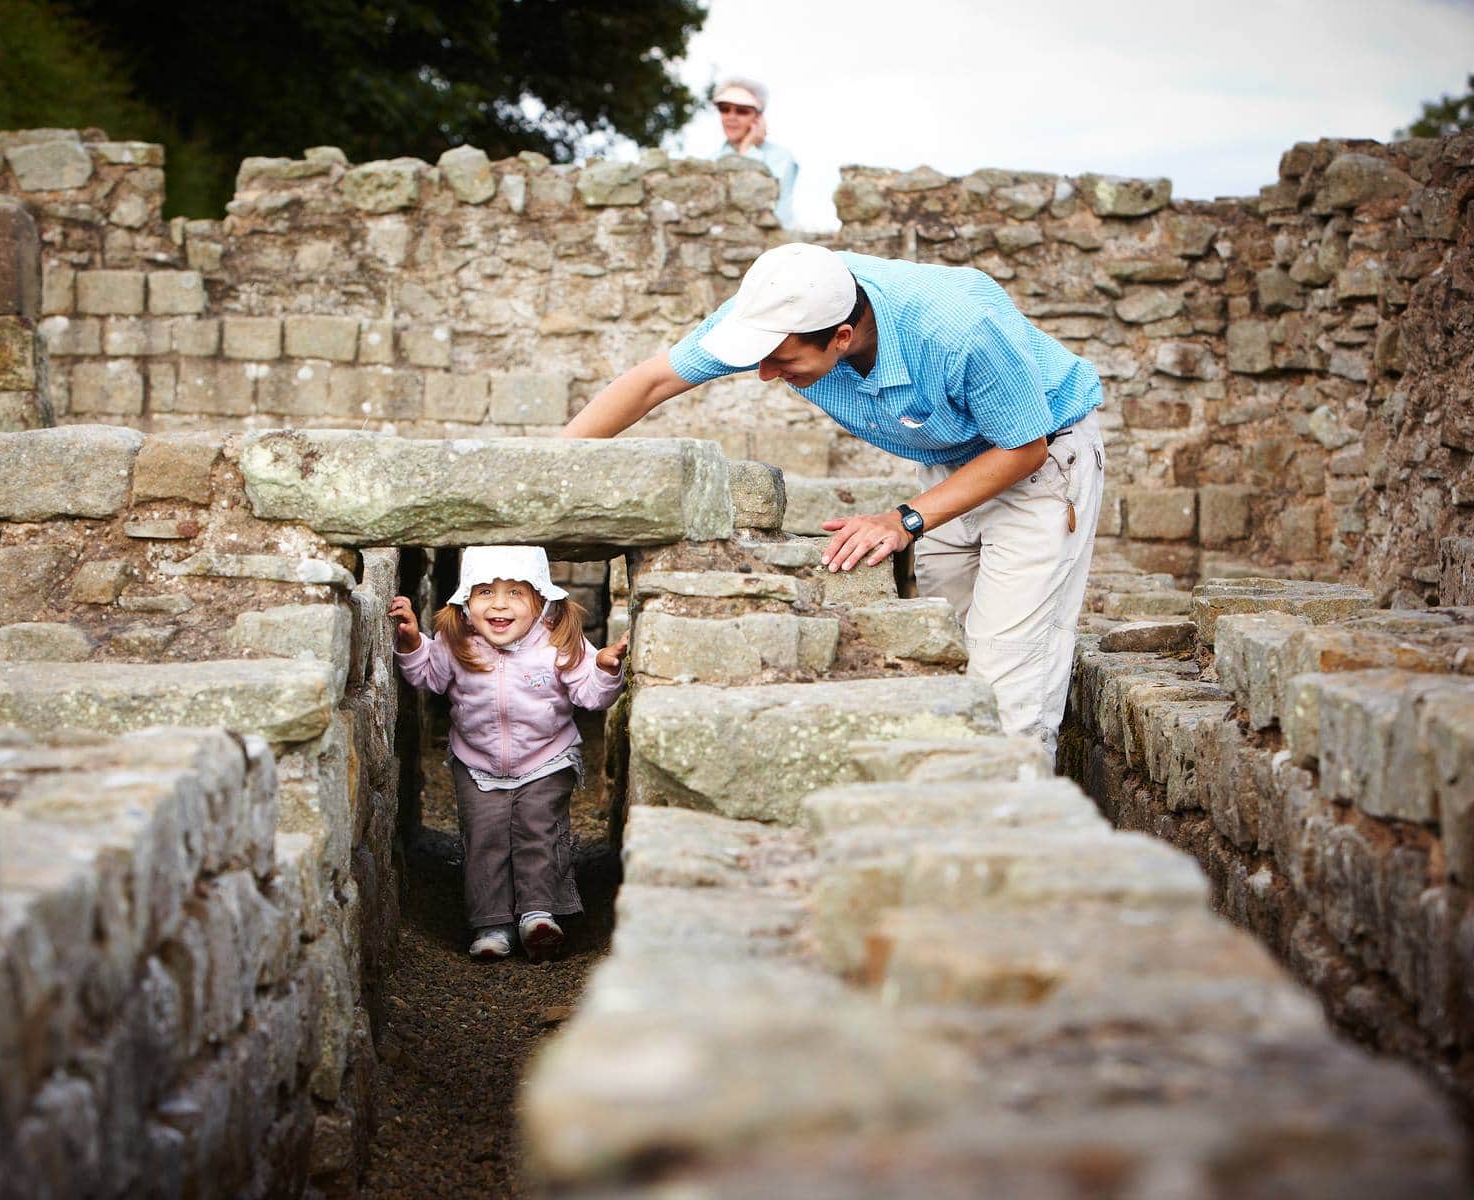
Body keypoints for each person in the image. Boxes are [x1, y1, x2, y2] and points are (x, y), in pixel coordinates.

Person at [562, 242, 1105, 756]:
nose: (766, 374)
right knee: (958, 665)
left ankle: (1017, 839)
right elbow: (654, 382)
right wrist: (548, 472)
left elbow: (1023, 449)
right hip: (953, 463)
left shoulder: (960, 329)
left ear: (842, 337)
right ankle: (960, 827)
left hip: (1040, 464)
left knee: (1012, 679)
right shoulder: (778, 299)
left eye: (783, 363)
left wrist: (903, 520)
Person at [389, 546, 629, 960]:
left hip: (546, 758)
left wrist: (605, 668)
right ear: (465, 601)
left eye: (516, 593)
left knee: (539, 832)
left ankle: (539, 913)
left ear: (540, 600)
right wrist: (412, 643)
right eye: (484, 592)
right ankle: (492, 923)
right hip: (477, 762)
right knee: (485, 840)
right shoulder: (456, 640)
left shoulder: (558, 640)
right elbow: (428, 676)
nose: (499, 604)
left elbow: (589, 694)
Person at [712, 77, 799, 227]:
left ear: (758, 118)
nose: (731, 117)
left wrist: (747, 149)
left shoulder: (781, 157)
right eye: (725, 109)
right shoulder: (710, 159)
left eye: (741, 111)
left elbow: (776, 213)